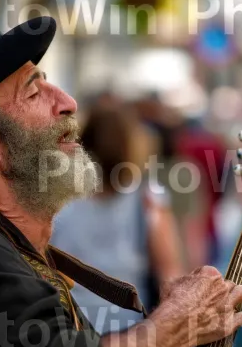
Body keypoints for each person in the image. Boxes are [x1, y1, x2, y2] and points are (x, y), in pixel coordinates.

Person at [0, 16, 242, 347]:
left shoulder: (10, 249)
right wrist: (179, 320)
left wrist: (168, 342)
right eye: (33, 91)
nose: (66, 101)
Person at [51, 105, 185, 333]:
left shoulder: (56, 198)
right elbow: (170, 274)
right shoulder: (148, 198)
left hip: (70, 329)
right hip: (130, 333)